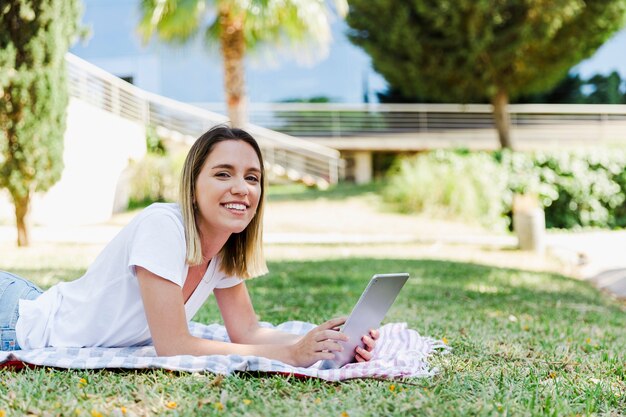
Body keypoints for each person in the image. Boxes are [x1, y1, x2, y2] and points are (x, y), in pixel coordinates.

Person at [0, 126, 378, 367]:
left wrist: (323, 340)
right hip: (16, 322)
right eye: (222, 173)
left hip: (35, 302)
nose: (241, 188)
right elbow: (174, 344)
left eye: (252, 177)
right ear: (193, 186)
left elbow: (247, 332)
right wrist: (288, 355)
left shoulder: (225, 247)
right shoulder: (162, 226)